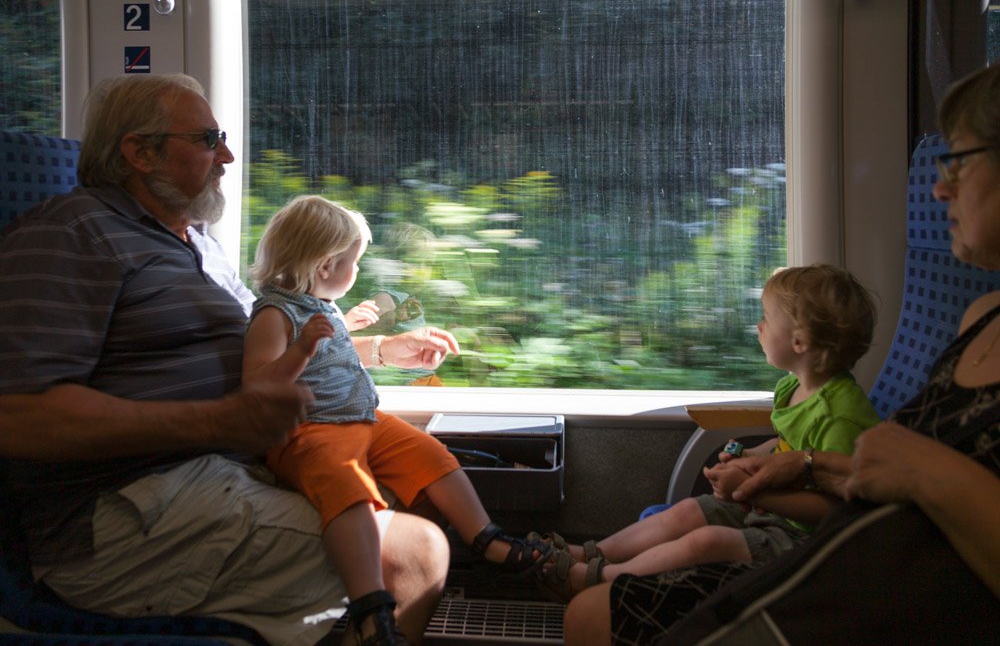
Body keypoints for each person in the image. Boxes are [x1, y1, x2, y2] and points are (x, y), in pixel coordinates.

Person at [0, 73, 463, 645]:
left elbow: (268, 347)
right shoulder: (72, 234)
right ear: (140, 153)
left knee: (417, 488)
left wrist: (378, 352)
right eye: (207, 139)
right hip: (124, 508)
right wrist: (218, 422)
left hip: (219, 473)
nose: (227, 156)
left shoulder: (197, 243)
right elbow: (18, 415)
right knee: (414, 554)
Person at [563, 63, 1000, 646]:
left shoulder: (843, 411)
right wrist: (784, 464)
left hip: (859, 573)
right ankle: (588, 559)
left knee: (598, 612)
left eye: (960, 161)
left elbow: (895, 478)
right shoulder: (980, 317)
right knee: (597, 605)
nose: (940, 188)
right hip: (852, 550)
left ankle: (589, 572)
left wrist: (911, 468)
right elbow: (856, 468)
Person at [243, 195, 554, 643]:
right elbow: (257, 385)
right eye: (354, 262)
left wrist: (374, 341)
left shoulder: (321, 305)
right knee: (349, 490)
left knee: (431, 454)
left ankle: (487, 538)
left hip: (361, 419)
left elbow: (336, 354)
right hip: (311, 431)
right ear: (325, 266)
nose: (357, 271)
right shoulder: (274, 315)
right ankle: (371, 601)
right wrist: (302, 349)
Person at [537, 264, 879, 602]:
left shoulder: (839, 418)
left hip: (805, 541)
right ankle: (590, 553)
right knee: (688, 511)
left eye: (767, 318)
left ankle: (595, 580)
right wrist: (749, 457)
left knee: (706, 542)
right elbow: (787, 447)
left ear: (799, 341)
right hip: (770, 509)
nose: (759, 326)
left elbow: (837, 509)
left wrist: (751, 492)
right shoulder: (792, 387)